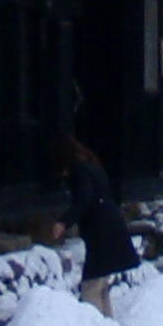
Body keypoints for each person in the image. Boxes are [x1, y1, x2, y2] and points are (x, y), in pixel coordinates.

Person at [57, 134, 136, 314]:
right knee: (101, 285)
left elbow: (84, 199)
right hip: (110, 227)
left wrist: (64, 222)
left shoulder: (79, 171)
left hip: (101, 231)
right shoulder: (92, 165)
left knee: (91, 287)